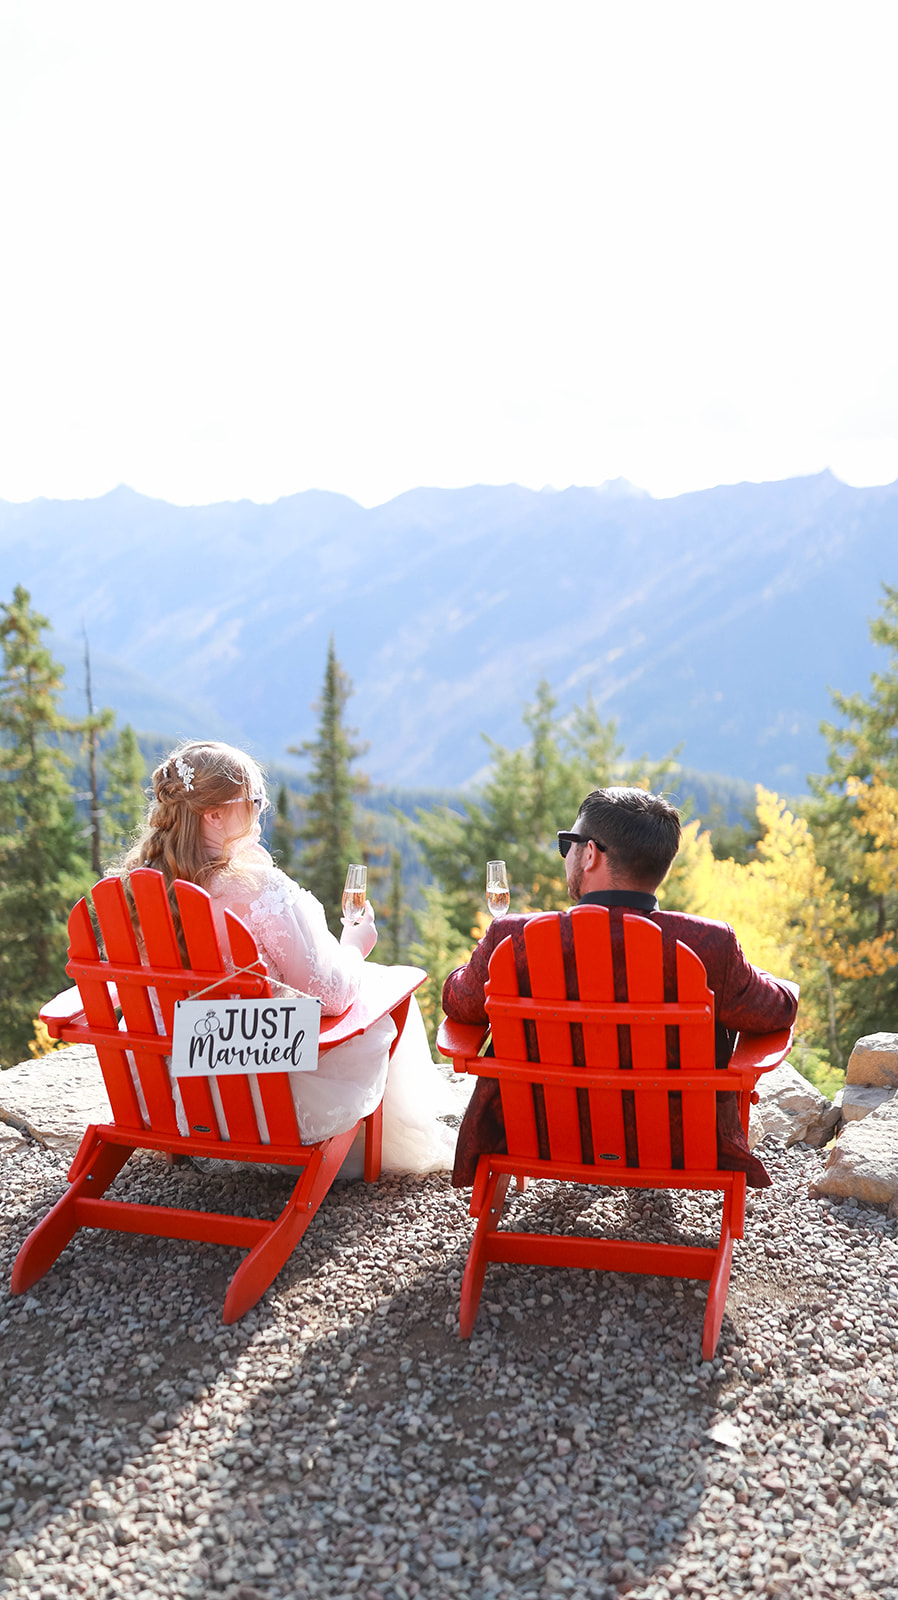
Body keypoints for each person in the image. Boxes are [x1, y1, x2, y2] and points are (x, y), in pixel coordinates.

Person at [118, 739, 457, 1175]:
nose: (261, 809)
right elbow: (331, 995)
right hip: (262, 1095)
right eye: (252, 799)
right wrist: (354, 943)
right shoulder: (258, 889)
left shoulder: (140, 887)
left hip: (172, 1089)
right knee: (382, 989)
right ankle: (372, 1149)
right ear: (214, 814)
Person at [444, 786, 799, 1188]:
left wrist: (477, 958)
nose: (566, 858)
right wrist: (763, 976)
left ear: (591, 853)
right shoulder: (708, 944)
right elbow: (778, 1011)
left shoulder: (513, 938)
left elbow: (459, 1004)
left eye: (568, 845)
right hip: (678, 1142)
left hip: (539, 1132)